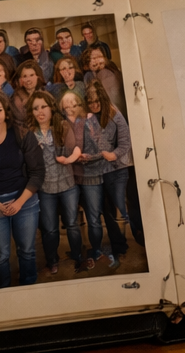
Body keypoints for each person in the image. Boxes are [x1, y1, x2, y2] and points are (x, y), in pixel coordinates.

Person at [0, 89, 44, 288]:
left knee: (27, 250)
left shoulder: (22, 134)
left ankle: (28, 288)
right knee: (1, 256)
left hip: (24, 199)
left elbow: (37, 172)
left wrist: (19, 202)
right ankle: (1, 294)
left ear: (6, 112)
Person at [28, 89, 83, 275]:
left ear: (51, 108)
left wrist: (67, 157)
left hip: (68, 184)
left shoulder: (62, 126)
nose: (40, 111)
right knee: (50, 229)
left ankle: (78, 256)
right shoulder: (30, 133)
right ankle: (52, 260)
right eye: (36, 108)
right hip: (45, 188)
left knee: (72, 224)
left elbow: (74, 148)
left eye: (43, 106)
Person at [77, 80, 131, 269]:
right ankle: (111, 248)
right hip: (97, 170)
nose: (94, 105)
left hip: (117, 168)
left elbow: (125, 142)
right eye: (90, 102)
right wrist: (86, 157)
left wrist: (114, 155)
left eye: (97, 101)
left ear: (103, 98)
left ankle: (122, 246)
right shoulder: (87, 118)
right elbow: (92, 148)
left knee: (118, 209)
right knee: (105, 212)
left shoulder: (114, 114)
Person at [81, 46, 125, 115]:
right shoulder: (90, 75)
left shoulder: (108, 70)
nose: (98, 60)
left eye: (100, 56)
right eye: (94, 58)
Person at [9, 60, 46, 139]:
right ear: (20, 79)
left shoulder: (45, 94)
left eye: (31, 75)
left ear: (37, 76)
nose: (28, 79)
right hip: (24, 137)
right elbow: (23, 120)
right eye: (25, 76)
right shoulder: (16, 99)